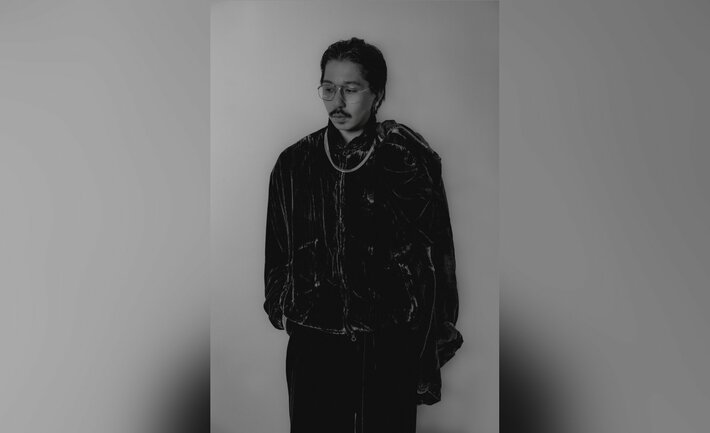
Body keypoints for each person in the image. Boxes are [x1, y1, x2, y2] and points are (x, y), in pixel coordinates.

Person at [263, 37, 463, 433]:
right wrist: (283, 305)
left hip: (388, 343)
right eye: (328, 88)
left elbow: (437, 256)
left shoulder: (404, 160)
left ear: (378, 94)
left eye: (351, 89)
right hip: (314, 342)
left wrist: (430, 343)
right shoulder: (294, 163)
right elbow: (277, 251)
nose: (337, 102)